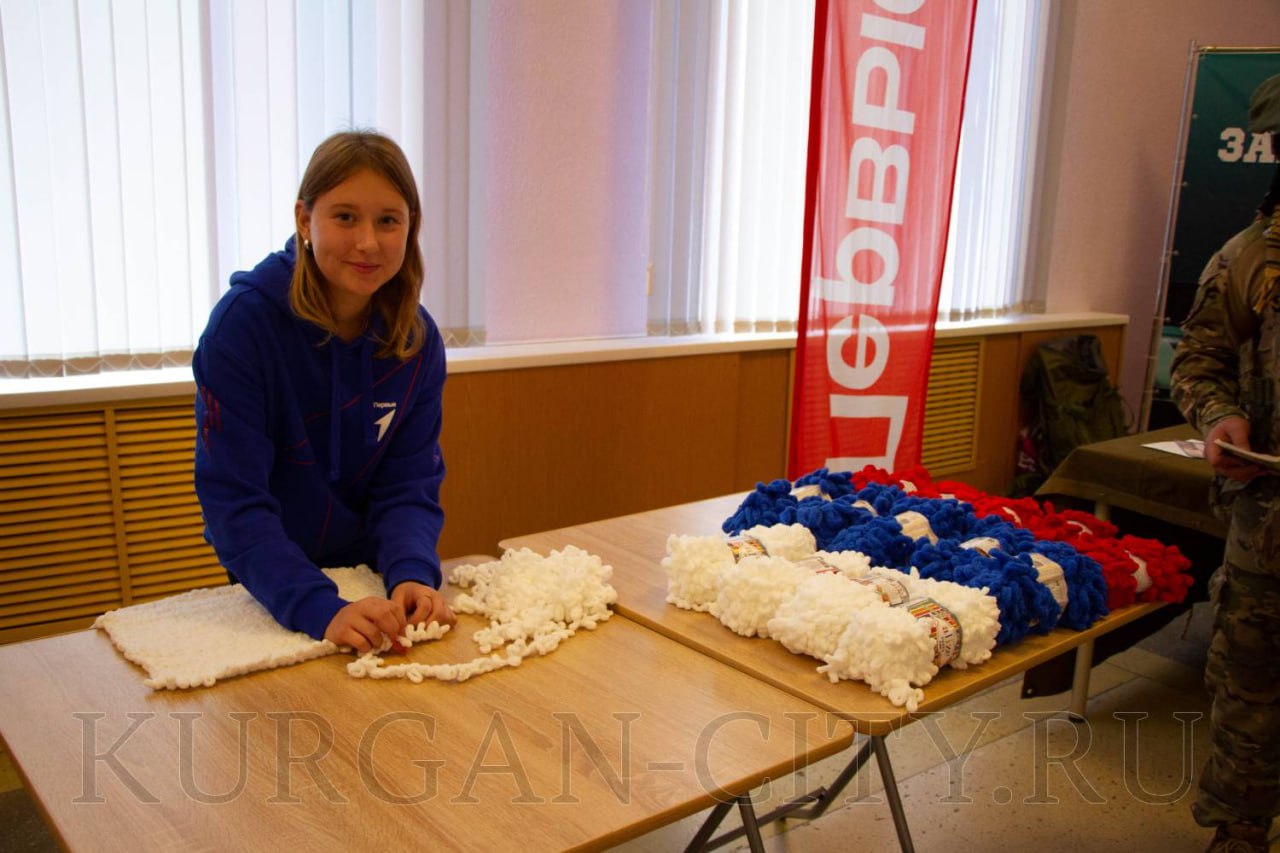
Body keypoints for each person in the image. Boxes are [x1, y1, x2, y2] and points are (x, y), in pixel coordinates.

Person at [194, 130, 456, 654]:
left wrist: (410, 573)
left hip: (371, 578)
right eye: (344, 217)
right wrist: (317, 606)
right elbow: (235, 502)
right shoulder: (241, 328)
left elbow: (407, 484)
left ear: (410, 228)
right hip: (277, 584)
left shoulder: (416, 340)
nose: (367, 242)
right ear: (303, 220)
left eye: (388, 220)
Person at [1170, 73, 1280, 853]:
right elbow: (1199, 362)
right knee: (1249, 690)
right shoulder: (1249, 258)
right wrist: (1219, 418)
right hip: (1269, 526)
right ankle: (1240, 830)